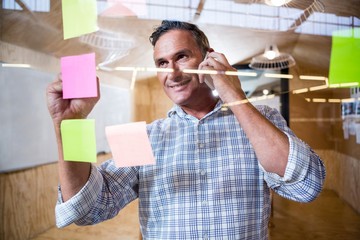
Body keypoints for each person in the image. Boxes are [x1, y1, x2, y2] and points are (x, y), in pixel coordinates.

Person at [46, 20, 326, 239]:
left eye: (182, 56)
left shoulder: (262, 119)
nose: (173, 73)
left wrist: (233, 94)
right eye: (162, 63)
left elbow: (306, 186)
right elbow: (88, 207)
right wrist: (70, 126)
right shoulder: (142, 136)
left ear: (210, 59)